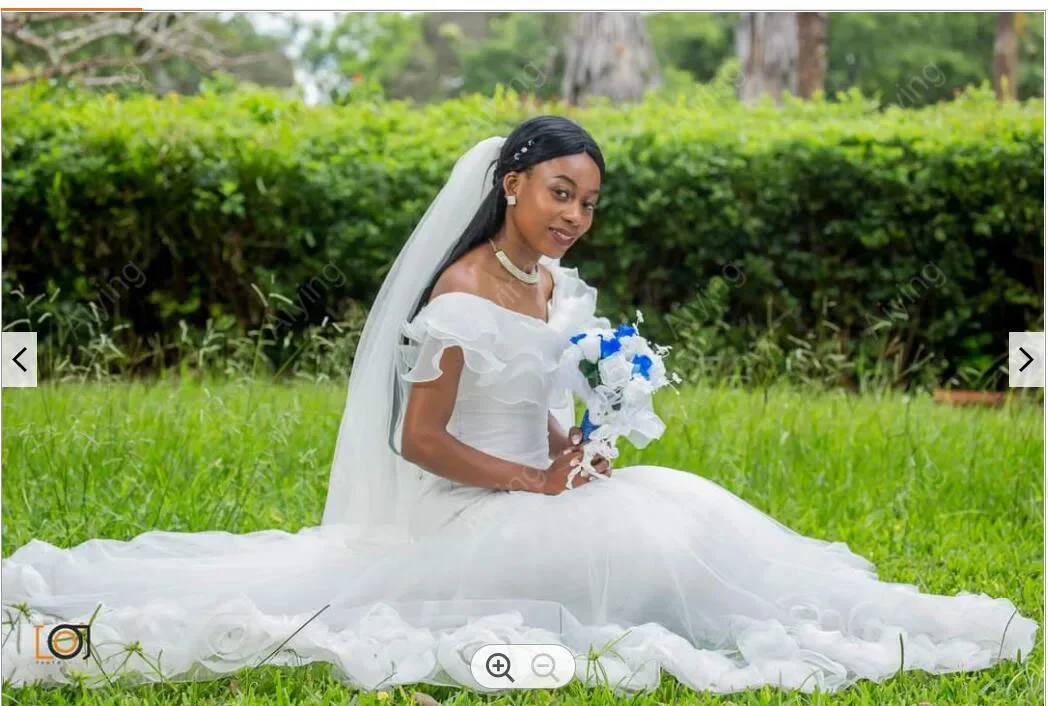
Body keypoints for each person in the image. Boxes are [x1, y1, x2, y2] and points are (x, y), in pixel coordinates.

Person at [2, 116, 1037, 695]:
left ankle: (838, 613)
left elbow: (532, 399)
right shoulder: (456, 297)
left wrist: (570, 448)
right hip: (465, 509)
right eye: (558, 193)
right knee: (642, 553)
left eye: (587, 201)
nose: (574, 217)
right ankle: (63, 634)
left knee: (688, 508)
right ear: (509, 184)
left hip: (532, 485)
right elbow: (421, 439)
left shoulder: (546, 286)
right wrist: (533, 480)